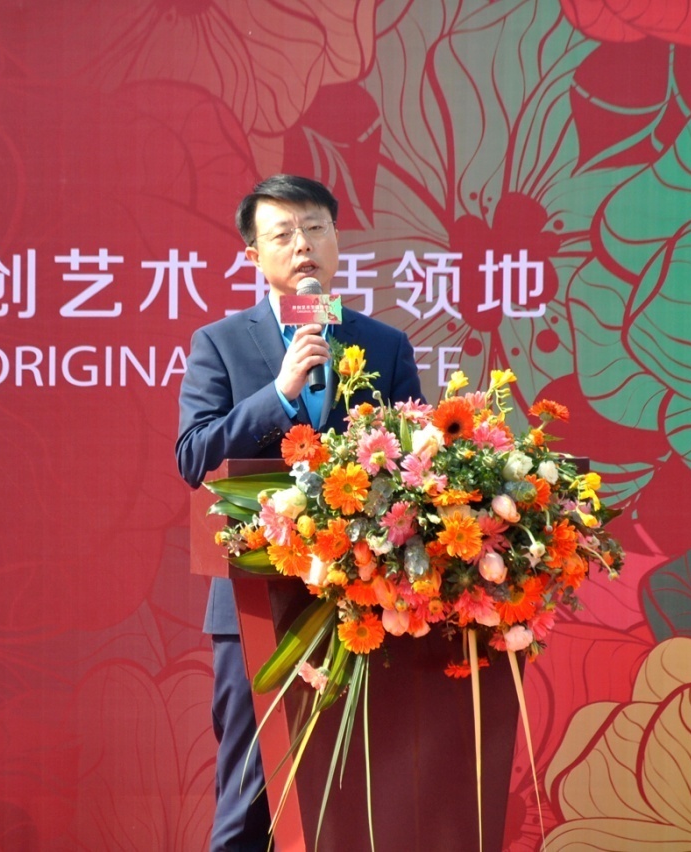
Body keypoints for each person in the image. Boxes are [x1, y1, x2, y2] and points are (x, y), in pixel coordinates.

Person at [176, 174, 423, 851]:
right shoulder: (221, 343)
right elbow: (193, 455)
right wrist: (280, 394)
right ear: (253, 255)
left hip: (368, 600)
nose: (303, 245)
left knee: (361, 799)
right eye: (282, 233)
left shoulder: (385, 346)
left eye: (315, 228)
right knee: (250, 799)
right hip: (257, 602)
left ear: (337, 240)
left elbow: (416, 463)